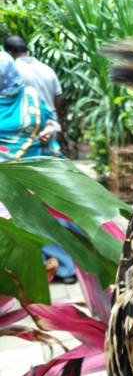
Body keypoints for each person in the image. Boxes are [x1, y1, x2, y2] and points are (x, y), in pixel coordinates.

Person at [0, 51, 77, 284]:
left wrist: (49, 131)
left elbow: (51, 120)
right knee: (14, 227)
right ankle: (23, 275)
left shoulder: (30, 96)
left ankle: (63, 269)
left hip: (35, 170)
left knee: (45, 220)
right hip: (4, 177)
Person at [3, 35, 63, 128]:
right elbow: (58, 97)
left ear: (9, 53)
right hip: (50, 126)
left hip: (25, 128)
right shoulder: (47, 69)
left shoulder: (12, 73)